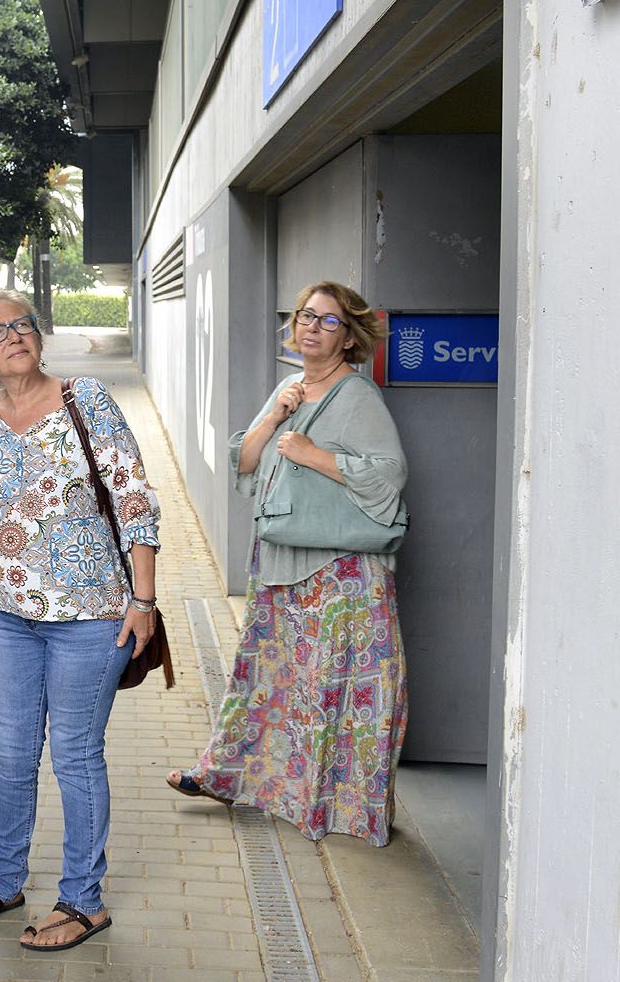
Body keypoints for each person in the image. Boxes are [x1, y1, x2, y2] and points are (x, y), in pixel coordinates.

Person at [0, 291, 162, 951]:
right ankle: (4, 880)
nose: (12, 336)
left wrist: (143, 601)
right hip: (12, 619)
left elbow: (134, 499)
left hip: (92, 618)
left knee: (73, 754)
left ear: (39, 336)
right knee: (8, 755)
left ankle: (83, 899)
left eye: (22, 324)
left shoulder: (84, 398)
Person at [169, 281, 409, 847]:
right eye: (306, 316)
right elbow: (246, 458)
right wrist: (277, 415)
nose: (312, 328)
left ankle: (332, 805)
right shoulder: (290, 386)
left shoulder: (358, 397)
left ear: (350, 337)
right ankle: (229, 775)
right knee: (271, 682)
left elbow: (390, 473)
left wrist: (314, 455)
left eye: (328, 321)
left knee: (331, 690)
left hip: (339, 574)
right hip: (282, 560)